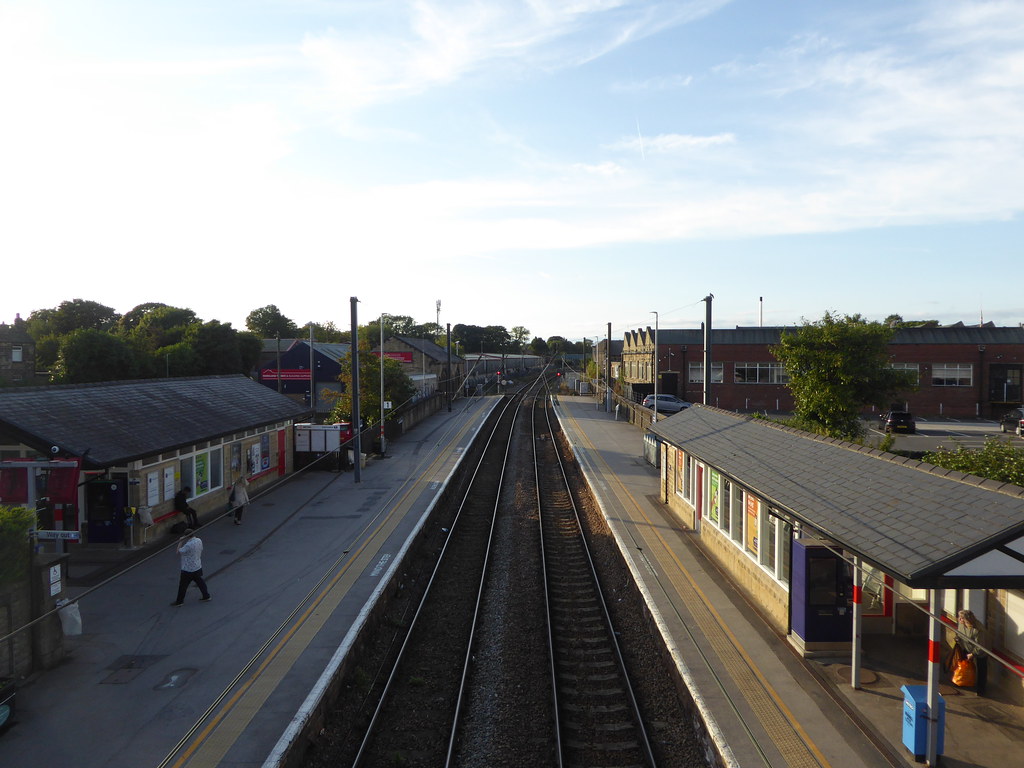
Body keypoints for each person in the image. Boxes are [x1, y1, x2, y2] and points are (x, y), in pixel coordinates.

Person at [172, 529, 211, 605]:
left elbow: (178, 552)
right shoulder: (199, 540)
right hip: (197, 566)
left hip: (188, 569)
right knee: (200, 582)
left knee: (183, 586)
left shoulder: (188, 545)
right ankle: (206, 595)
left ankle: (179, 601)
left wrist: (180, 541)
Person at [958, 609, 988, 695]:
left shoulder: (978, 629)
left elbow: (980, 645)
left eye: (961, 618)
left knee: (981, 669)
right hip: (967, 647)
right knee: (964, 665)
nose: (959, 620)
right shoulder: (961, 625)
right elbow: (960, 633)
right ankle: (964, 681)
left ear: (967, 620)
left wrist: (973, 654)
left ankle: (981, 689)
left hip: (980, 651)